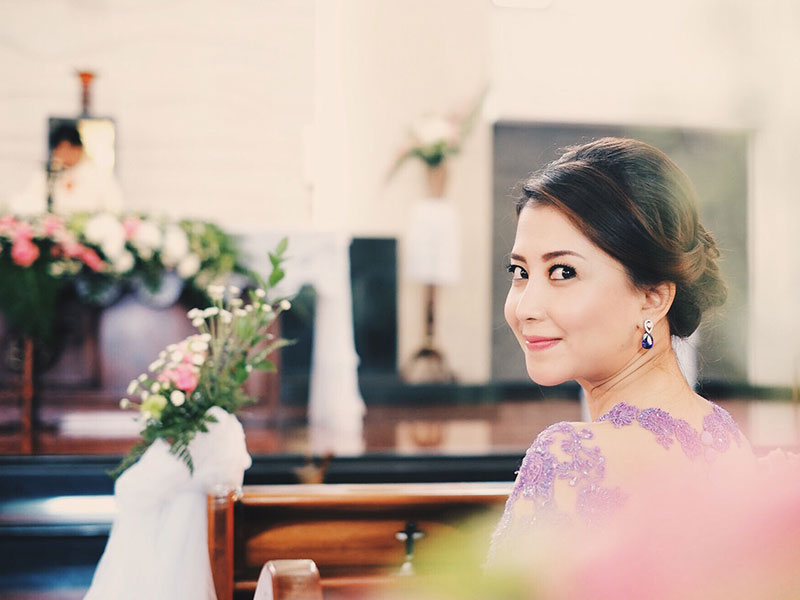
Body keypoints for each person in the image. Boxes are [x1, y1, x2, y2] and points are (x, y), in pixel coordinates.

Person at [488, 138, 756, 563]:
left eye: (563, 271)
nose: (525, 307)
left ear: (652, 297)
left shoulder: (568, 457)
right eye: (519, 272)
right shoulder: (722, 436)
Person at [3, 122, 123, 216]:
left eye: (69, 149)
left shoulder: (99, 175)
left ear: (79, 148)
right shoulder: (47, 175)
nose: (65, 154)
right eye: (60, 149)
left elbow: (114, 207)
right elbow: (29, 200)